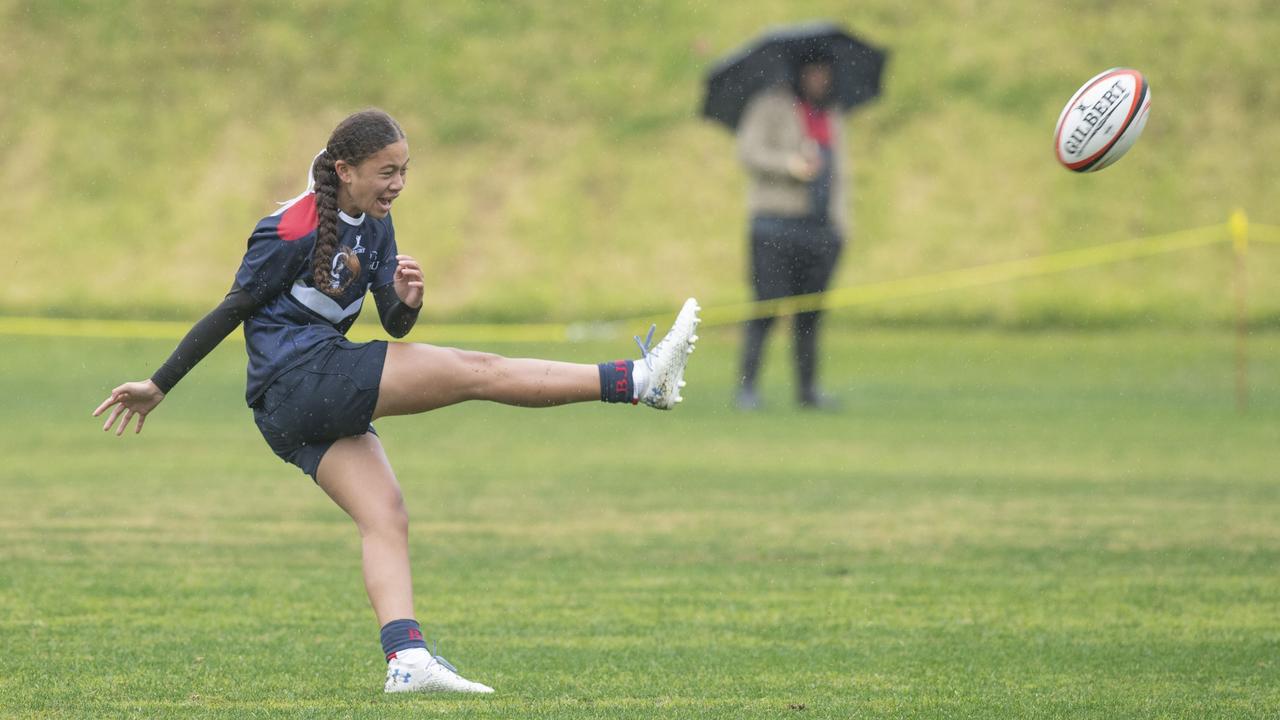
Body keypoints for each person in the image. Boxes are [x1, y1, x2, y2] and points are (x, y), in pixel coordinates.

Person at [92, 109, 700, 695]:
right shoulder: (290, 227)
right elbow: (231, 309)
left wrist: (407, 300)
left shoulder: (377, 223)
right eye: (387, 172)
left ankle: (406, 659)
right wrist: (159, 383)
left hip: (288, 410)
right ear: (344, 169)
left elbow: (394, 322)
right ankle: (638, 380)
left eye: (405, 170)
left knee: (385, 516)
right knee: (476, 371)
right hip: (302, 381)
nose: (399, 184)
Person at [734, 47, 845, 410]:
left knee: (810, 316)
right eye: (814, 71)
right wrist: (790, 164)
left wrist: (842, 225)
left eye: (825, 72)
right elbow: (748, 152)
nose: (821, 79)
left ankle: (807, 390)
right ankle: (748, 388)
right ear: (800, 73)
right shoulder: (770, 105)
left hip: (819, 228)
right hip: (774, 225)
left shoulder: (831, 113)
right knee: (765, 309)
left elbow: (842, 173)